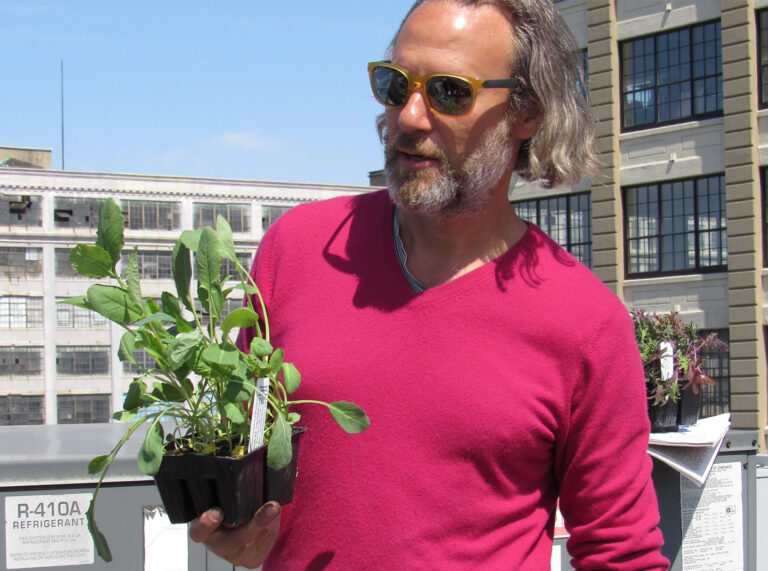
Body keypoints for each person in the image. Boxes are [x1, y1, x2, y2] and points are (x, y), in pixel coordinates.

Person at [190, 0, 669, 568]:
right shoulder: (296, 247)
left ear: (527, 113)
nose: (410, 117)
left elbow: (622, 553)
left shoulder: (584, 322)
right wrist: (227, 519)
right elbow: (235, 443)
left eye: (448, 91)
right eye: (396, 85)